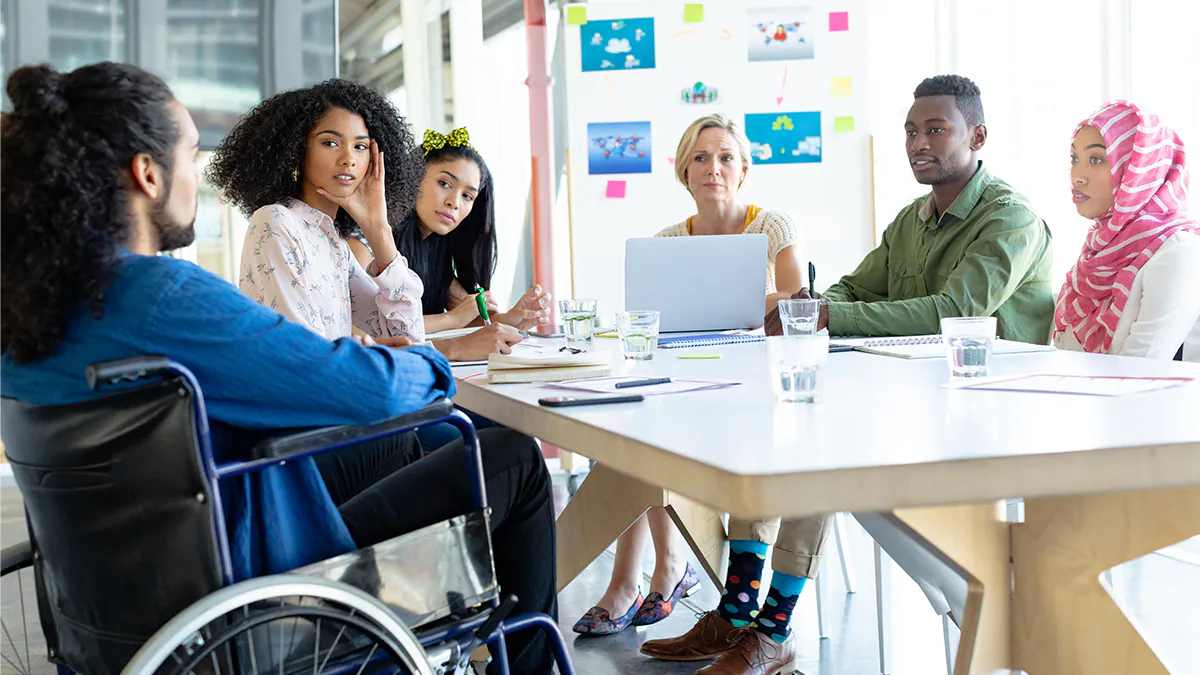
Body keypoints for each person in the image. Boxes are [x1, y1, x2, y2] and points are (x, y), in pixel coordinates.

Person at [0, 63, 557, 674]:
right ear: (147, 174)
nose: (198, 177)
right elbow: (360, 389)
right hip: (274, 591)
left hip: (121, 617)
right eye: (191, 155)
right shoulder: (163, 298)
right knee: (512, 457)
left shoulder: (29, 317)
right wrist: (428, 362)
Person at [574, 115, 818, 660]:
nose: (714, 168)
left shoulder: (774, 226)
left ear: (744, 167)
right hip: (694, 380)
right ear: (684, 169)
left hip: (758, 387)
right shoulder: (667, 241)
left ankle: (694, 592)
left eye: (727, 156)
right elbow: (650, 323)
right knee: (633, 429)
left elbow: (799, 302)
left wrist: (735, 310)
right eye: (701, 158)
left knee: (754, 445)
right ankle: (632, 580)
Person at [207, 80, 522, 361]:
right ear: (295, 151)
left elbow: (409, 336)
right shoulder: (276, 222)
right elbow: (308, 356)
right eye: (330, 142)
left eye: (360, 146)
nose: (348, 158)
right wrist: (453, 347)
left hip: (346, 408)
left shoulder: (331, 242)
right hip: (314, 419)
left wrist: (378, 228)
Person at [766, 75, 1055, 343]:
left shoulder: (1012, 219)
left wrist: (832, 315)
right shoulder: (909, 219)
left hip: (998, 387)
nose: (918, 145)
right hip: (918, 381)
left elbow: (953, 313)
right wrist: (818, 303)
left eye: (936, 130)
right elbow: (854, 289)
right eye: (911, 132)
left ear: (977, 137)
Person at [346, 127, 551, 335]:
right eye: (444, 183)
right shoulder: (362, 247)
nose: (454, 202)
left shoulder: (435, 253)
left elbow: (470, 317)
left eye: (467, 197)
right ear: (413, 178)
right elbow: (370, 331)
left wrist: (513, 318)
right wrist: (451, 318)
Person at [1054, 101, 1200, 360]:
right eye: (1075, 159)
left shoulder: (1178, 253)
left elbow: (1140, 371)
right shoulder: (1100, 248)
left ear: (1140, 168)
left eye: (1097, 159)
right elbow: (1062, 353)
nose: (1077, 175)